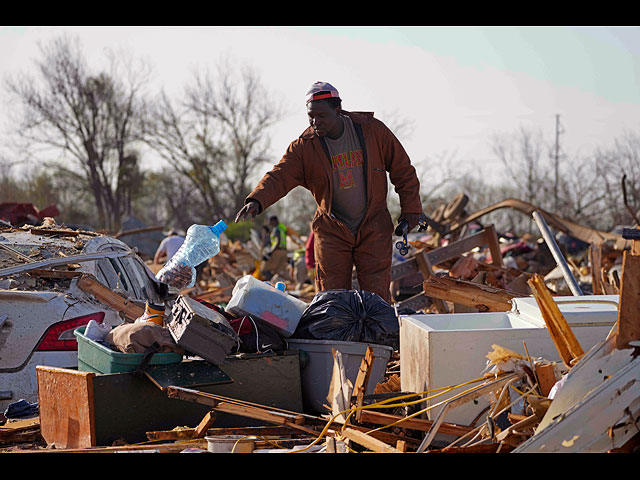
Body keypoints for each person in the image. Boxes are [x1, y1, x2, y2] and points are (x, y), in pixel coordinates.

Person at [235, 81, 424, 303]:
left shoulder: (372, 131)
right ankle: (336, 336)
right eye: (311, 117)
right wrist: (257, 200)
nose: (316, 122)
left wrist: (411, 210)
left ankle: (380, 336)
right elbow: (280, 175)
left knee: (377, 294)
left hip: (373, 225)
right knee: (331, 297)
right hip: (332, 230)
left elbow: (403, 169)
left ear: (337, 110)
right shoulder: (304, 147)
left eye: (322, 116)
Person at [260, 215, 289, 281]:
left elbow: (277, 241)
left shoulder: (276, 229)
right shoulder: (282, 227)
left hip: (277, 251)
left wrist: (270, 252)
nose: (270, 224)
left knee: (265, 269)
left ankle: (267, 284)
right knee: (278, 271)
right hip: (284, 251)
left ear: (274, 221)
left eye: (270, 222)